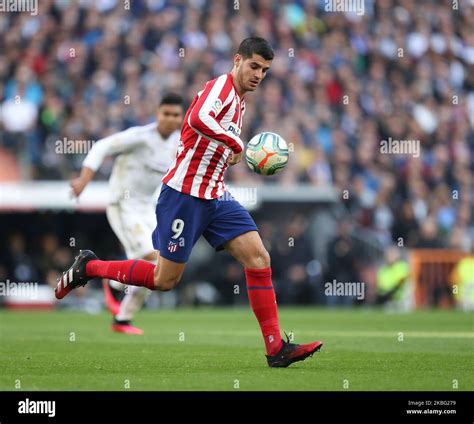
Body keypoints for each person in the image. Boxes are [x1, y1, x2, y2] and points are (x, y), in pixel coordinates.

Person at [55, 37, 322, 368]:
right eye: (254, 66)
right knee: (164, 280)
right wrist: (234, 141)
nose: (258, 75)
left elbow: (208, 140)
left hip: (215, 195)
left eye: (265, 70)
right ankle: (90, 267)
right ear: (237, 60)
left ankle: (275, 349)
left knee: (258, 259)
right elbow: (196, 119)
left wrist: (231, 154)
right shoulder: (222, 88)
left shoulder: (239, 101)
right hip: (184, 196)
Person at [69, 93, 184, 334]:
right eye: (166, 114)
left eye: (176, 115)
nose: (171, 119)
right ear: (158, 114)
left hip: (147, 208)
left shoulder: (179, 143)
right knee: (153, 259)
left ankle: (122, 317)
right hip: (122, 203)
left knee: (159, 266)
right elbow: (102, 146)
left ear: (181, 118)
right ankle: (111, 282)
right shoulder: (140, 137)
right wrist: (84, 179)